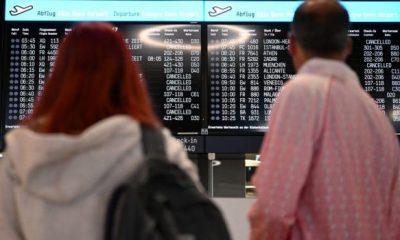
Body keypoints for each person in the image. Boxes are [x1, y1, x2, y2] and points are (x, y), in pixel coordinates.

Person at [0, 23, 201, 240]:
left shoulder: (21, 157)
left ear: (59, 74)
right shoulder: (159, 150)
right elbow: (195, 224)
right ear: (127, 75)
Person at [249, 0, 400, 239]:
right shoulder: (376, 115)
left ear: (292, 45)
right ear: (348, 47)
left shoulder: (301, 93)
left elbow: (273, 208)